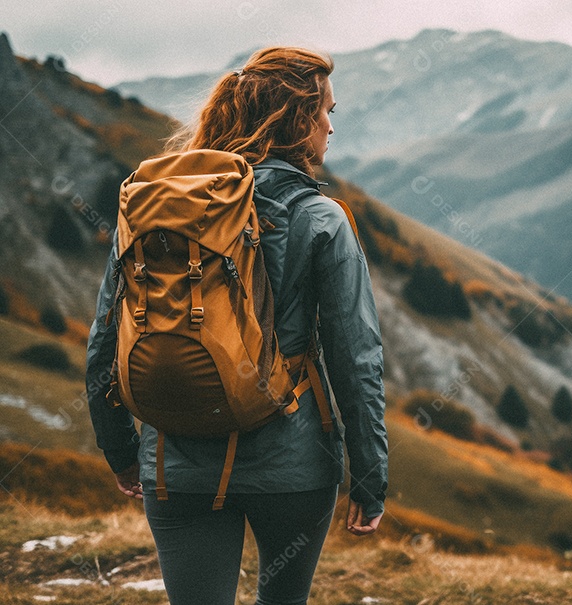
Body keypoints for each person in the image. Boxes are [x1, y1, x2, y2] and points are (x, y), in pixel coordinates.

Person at [86, 46, 388, 605]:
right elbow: (356, 358)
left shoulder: (155, 210)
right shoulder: (320, 218)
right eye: (326, 112)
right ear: (297, 119)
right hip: (292, 468)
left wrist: (120, 450)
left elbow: (105, 337)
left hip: (177, 465)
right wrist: (370, 476)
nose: (330, 127)